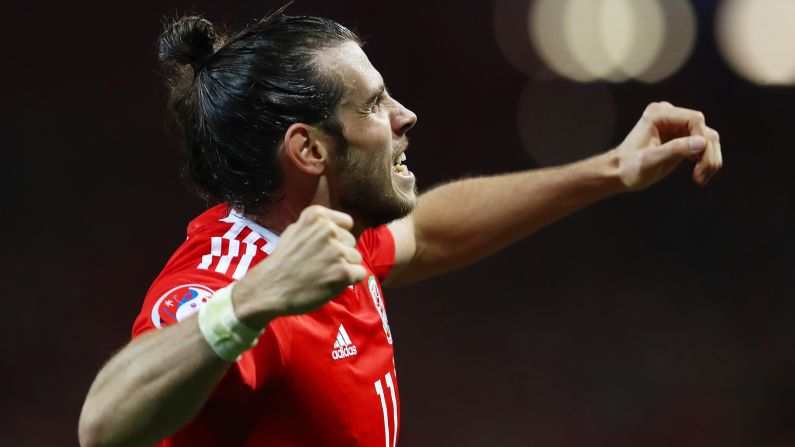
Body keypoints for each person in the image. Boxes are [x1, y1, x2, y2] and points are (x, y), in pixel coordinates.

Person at [78, 11, 722, 447]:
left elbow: (432, 233)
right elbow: (103, 426)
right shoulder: (234, 283)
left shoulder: (332, 231)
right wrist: (247, 304)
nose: (405, 115)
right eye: (374, 103)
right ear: (309, 150)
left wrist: (611, 169)